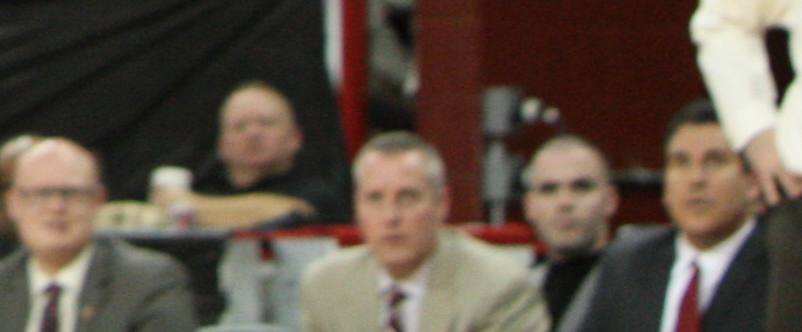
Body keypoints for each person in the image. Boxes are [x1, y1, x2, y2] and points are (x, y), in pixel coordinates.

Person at [297, 135, 544, 332]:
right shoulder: (326, 285)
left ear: (442, 204)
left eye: (407, 197)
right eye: (375, 198)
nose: (390, 216)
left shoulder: (499, 288)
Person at [0, 136, 196, 332]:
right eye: (41, 194)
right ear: (13, 204)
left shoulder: (149, 282)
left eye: (71, 193)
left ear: (98, 200)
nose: (56, 207)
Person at [555, 108, 766, 332]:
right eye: (681, 162)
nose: (696, 179)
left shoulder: (781, 269)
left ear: (752, 181)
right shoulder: (627, 265)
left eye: (715, 161)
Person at [182, 82, 350, 230]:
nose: (253, 134)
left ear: (295, 137)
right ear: (221, 145)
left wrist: (184, 207)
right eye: (240, 126)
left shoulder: (318, 195)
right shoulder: (204, 188)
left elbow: (290, 214)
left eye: (266, 123)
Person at [518, 134, 616, 323]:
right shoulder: (514, 294)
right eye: (549, 189)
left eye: (581, 187)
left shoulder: (640, 288)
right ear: (529, 206)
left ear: (611, 200)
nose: (565, 202)